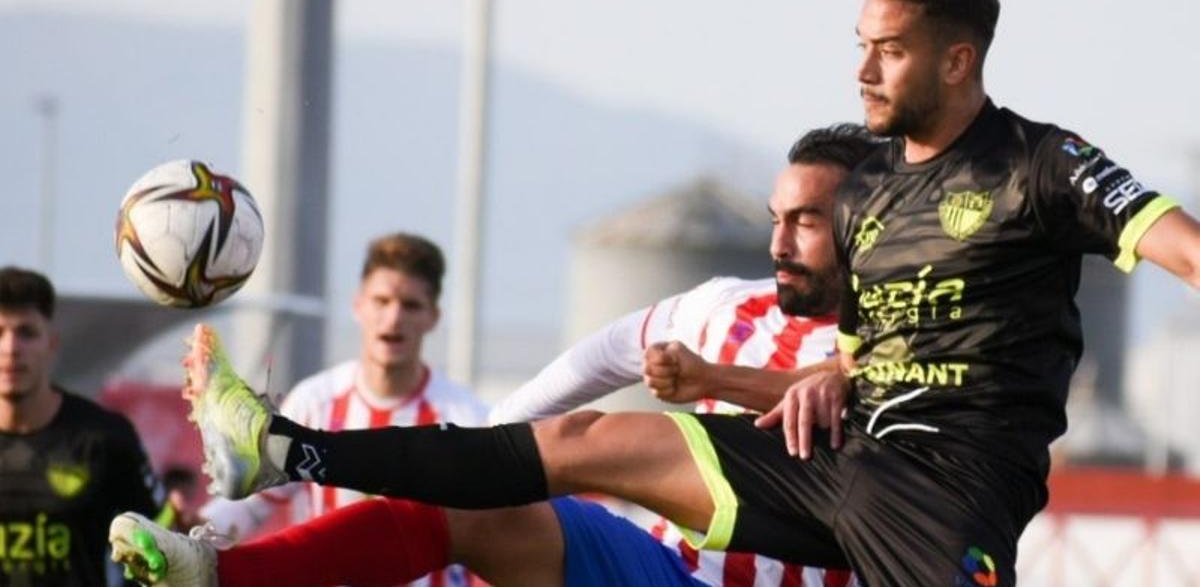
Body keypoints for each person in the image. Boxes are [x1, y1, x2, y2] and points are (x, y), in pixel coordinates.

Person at [122, 0, 1200, 586]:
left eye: (892, 48)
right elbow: (869, 355)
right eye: (860, 42)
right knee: (578, 442)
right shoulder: (869, 191)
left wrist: (766, 381)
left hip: (943, 496)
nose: (863, 66)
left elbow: (1181, 249)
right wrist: (824, 374)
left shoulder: (1040, 164)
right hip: (834, 471)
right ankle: (282, 449)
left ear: (958, 58)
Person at [107, 126, 876, 587]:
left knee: (587, 442)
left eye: (806, 222)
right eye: (777, 217)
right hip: (668, 570)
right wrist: (493, 457)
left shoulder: (913, 343)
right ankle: (216, 573)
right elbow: (610, 348)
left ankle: (282, 450)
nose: (779, 241)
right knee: (470, 502)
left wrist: (723, 381)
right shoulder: (725, 304)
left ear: (868, 224)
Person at [198, 232, 488, 586]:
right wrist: (194, 529)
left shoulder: (464, 416)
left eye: (410, 305)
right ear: (358, 305)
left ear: (433, 317)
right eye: (381, 301)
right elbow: (254, 503)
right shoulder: (313, 402)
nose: (394, 318)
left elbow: (496, 531)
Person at [0, 266, 164, 586]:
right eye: (0, 333)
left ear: (52, 343)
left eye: (26, 333)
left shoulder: (106, 438)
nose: (11, 349)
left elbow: (159, 548)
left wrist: (181, 530)